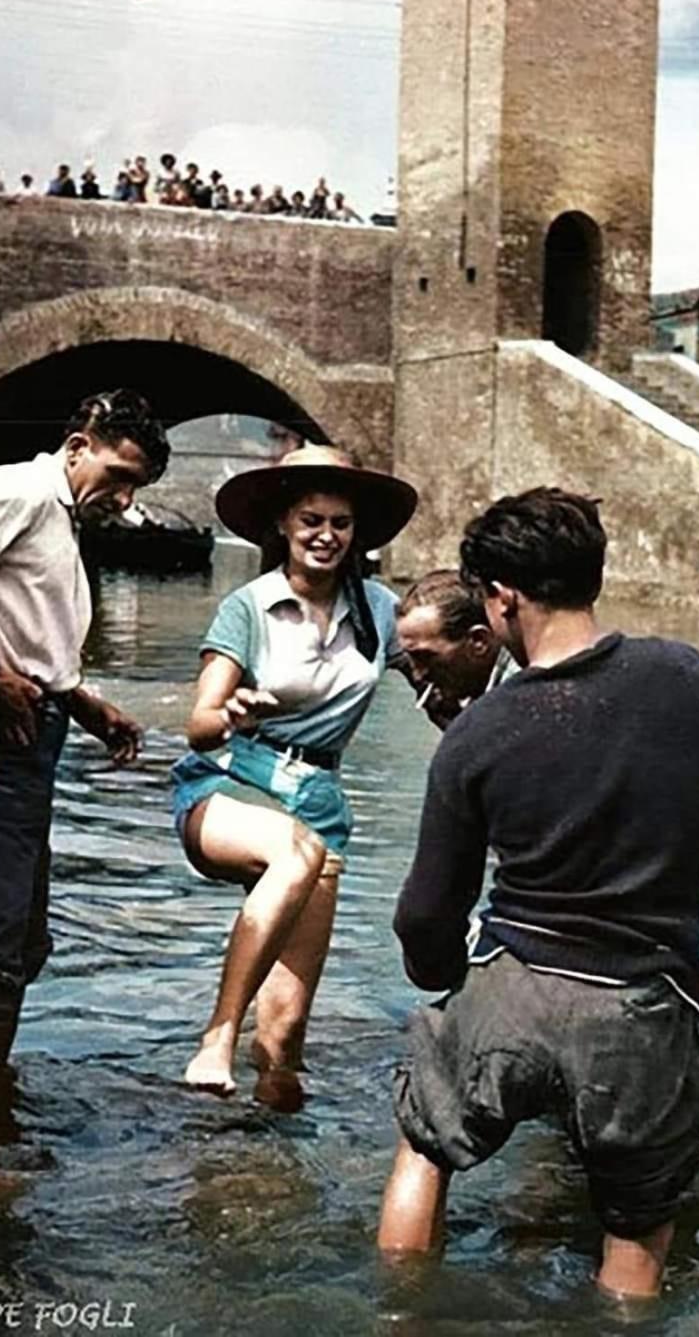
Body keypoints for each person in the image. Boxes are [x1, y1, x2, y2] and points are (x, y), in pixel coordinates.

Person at [378, 489, 699, 1299]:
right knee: (634, 1224)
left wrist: (438, 976)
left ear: (503, 597)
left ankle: (401, 1310)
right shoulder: (690, 678)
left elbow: (426, 912)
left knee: (425, 1137)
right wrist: (649, 851)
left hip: (516, 987)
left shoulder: (477, 734)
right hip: (641, 997)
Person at [0, 390, 170, 1148]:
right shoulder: (22, 490)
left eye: (135, 489)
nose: (122, 501)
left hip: (28, 726)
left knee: (19, 938)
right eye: (118, 476)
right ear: (78, 442)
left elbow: (20, 616)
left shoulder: (58, 513)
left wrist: (79, 697)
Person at [395, 568, 699, 1056]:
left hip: (663, 937)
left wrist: (619, 859)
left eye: (424, 658)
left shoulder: (531, 703)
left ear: (481, 639)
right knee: (665, 1107)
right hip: (670, 930)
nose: (418, 676)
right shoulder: (501, 707)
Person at [171, 445, 417, 1102]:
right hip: (228, 783)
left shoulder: (381, 610)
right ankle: (217, 1033)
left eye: (340, 522)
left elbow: (439, 681)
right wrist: (231, 713)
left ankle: (267, 1157)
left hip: (318, 801)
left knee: (285, 1032)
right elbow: (197, 722)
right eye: (311, 519)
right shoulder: (249, 607)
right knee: (293, 851)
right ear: (283, 523)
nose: (325, 536)